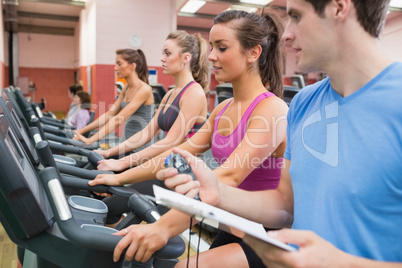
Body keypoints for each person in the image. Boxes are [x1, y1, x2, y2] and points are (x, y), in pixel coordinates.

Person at [158, 0, 402, 267]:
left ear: (339, 8)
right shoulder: (303, 103)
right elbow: (286, 205)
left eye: (297, 16)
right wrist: (218, 192)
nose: (287, 34)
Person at [90, 9, 290, 267]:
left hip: (265, 237)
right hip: (232, 226)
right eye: (212, 47)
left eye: (222, 48)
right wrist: (119, 174)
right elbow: (177, 153)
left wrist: (164, 227)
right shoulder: (223, 108)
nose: (213, 57)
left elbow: (228, 177)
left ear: (253, 53)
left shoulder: (272, 110)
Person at [93, 30, 210, 224]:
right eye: (162, 53)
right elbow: (146, 132)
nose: (162, 58)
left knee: (112, 207)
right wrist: (109, 153)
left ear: (185, 58)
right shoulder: (170, 94)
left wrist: (122, 163)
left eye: (167, 53)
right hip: (164, 167)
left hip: (180, 178)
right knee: (109, 200)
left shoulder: (194, 94)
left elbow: (170, 141)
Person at [73, 49, 154, 146]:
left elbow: (118, 119)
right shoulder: (126, 88)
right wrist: (80, 131)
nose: (115, 68)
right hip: (125, 144)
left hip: (140, 148)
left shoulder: (144, 90)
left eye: (119, 64)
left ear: (132, 66)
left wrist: (91, 140)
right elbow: (110, 114)